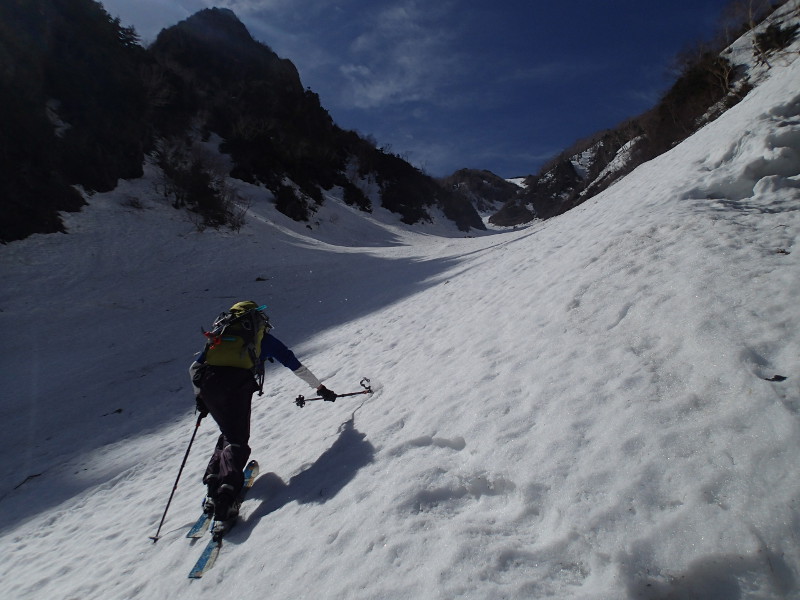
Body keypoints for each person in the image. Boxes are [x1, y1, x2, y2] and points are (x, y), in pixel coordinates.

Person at [189, 301, 336, 522]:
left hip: (209, 384)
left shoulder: (222, 335)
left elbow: (194, 368)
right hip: (237, 386)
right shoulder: (261, 338)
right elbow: (294, 364)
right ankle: (226, 497)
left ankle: (212, 483)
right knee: (237, 440)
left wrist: (200, 397)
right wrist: (320, 389)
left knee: (228, 432)